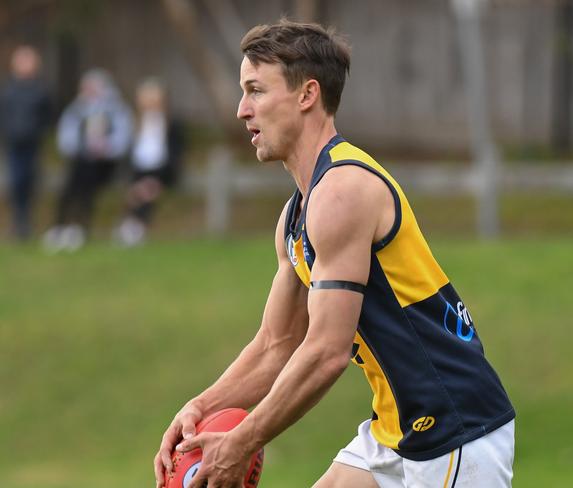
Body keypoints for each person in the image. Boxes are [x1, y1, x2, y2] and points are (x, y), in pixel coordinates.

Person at [154, 20, 515, 488]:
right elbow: (275, 345)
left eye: (256, 91)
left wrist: (242, 440)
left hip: (454, 428)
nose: (242, 110)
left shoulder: (343, 191)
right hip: (396, 430)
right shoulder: (296, 216)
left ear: (307, 95)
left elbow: (327, 352)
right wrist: (201, 409)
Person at [43, 68, 132, 251]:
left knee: (87, 183)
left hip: (106, 163)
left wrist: (106, 148)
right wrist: (80, 149)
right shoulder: (76, 110)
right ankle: (60, 226)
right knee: (71, 185)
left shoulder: (115, 110)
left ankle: (80, 226)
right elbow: (66, 137)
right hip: (81, 161)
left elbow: (123, 138)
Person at [113, 78, 184, 246]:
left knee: (147, 188)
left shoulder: (171, 124)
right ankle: (131, 224)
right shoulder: (136, 123)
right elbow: (129, 152)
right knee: (137, 188)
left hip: (161, 171)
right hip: (139, 169)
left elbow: (175, 155)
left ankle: (136, 226)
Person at [0, 45, 51, 240]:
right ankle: (17, 221)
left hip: (33, 143)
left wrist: (40, 132)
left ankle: (27, 222)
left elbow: (47, 115)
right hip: (13, 143)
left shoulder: (41, 90)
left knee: (30, 182)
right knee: (16, 182)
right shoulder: (8, 90)